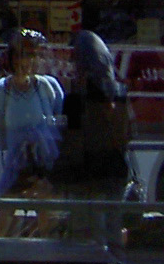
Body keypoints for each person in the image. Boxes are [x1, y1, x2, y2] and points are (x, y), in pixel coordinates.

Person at [0, 27, 64, 200]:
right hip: (13, 167)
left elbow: (64, 122)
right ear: (12, 58)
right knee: (4, 208)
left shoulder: (49, 87)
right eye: (24, 55)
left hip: (43, 165)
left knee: (46, 209)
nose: (29, 61)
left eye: (35, 55)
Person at [55, 30, 135, 207]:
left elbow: (73, 142)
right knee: (112, 220)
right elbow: (128, 134)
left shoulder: (76, 97)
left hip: (86, 178)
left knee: (85, 221)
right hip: (115, 173)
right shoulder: (119, 92)